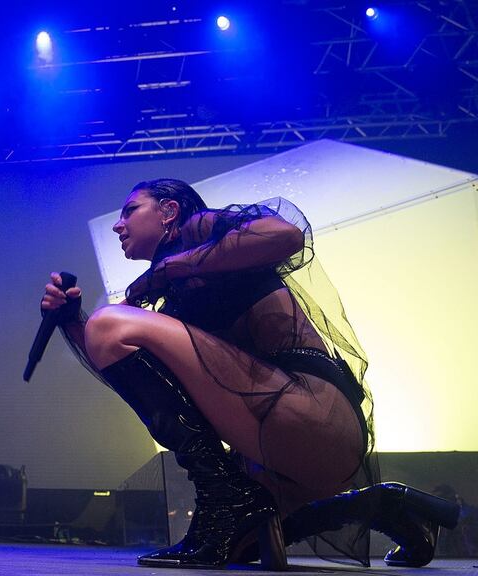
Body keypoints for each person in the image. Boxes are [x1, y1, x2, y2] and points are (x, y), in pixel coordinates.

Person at [41, 178, 459, 568]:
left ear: (169, 211)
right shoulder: (178, 301)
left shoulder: (201, 228)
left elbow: (287, 236)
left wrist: (168, 269)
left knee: (110, 321)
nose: (118, 225)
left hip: (309, 407)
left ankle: (224, 496)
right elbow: (125, 366)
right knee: (242, 547)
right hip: (285, 447)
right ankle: (387, 506)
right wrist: (71, 318)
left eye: (130, 211)